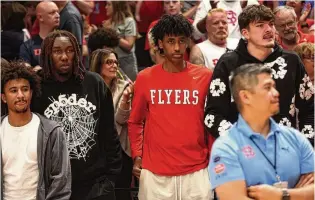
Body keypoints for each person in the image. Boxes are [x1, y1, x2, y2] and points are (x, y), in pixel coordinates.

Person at [128, 14, 212, 200]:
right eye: (170, 41)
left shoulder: (205, 77)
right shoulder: (145, 78)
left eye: (182, 41)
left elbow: (211, 123)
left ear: (188, 42)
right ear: (160, 43)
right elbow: (135, 121)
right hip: (155, 173)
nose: (176, 47)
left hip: (197, 171)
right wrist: (137, 156)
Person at [204, 4, 314, 144]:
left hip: (285, 153)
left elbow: (310, 109)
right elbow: (212, 116)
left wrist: (306, 146)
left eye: (271, 24)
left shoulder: (292, 61)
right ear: (245, 33)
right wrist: (242, 141)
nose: (269, 29)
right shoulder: (228, 63)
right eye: (260, 25)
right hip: (243, 156)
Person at [31, 30, 122, 200]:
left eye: (70, 50)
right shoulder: (37, 86)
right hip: (54, 185)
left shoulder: (94, 83)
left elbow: (109, 133)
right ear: (47, 54)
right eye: (57, 51)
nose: (64, 56)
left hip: (96, 185)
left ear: (77, 53)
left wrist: (110, 178)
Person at [209, 63, 314, 200]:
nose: (276, 93)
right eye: (267, 88)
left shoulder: (294, 137)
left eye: (274, 87)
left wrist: (282, 195)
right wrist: (298, 195)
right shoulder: (225, 147)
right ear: (245, 97)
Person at [1, 61, 71, 200]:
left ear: (31, 93)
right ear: (3, 97)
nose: (20, 95)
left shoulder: (52, 131)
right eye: (13, 90)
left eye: (25, 89)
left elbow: (61, 183)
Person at [90, 48, 134, 200]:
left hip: (120, 148)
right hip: (96, 149)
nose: (114, 66)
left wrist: (126, 100)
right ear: (98, 65)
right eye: (109, 62)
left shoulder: (125, 87)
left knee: (122, 192)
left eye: (116, 62)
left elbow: (121, 120)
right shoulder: (89, 87)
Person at [19, 1, 60, 70]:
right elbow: (25, 71)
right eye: (52, 13)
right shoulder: (28, 46)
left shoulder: (65, 41)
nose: (58, 15)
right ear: (40, 17)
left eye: (57, 12)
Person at [104, 1, 138, 81]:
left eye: (109, 4)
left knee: (129, 89)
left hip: (126, 63)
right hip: (111, 61)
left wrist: (111, 32)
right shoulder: (108, 23)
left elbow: (129, 45)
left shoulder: (129, 21)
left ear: (116, 6)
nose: (106, 7)